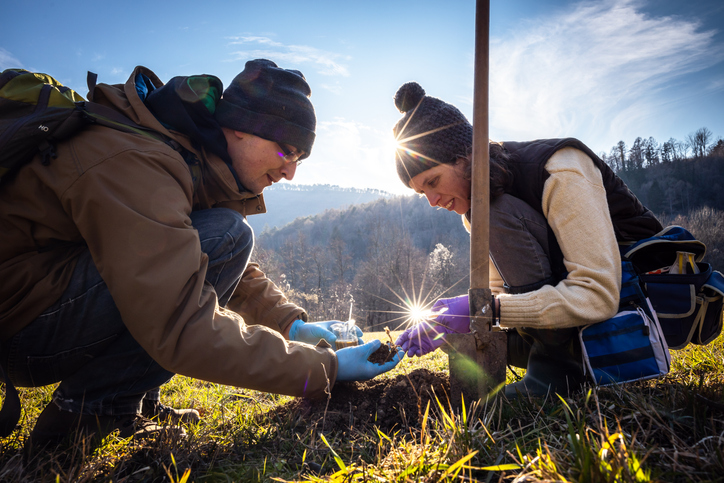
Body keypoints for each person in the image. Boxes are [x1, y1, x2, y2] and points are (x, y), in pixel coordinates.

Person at [0, 59, 402, 452]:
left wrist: (290, 325)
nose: (290, 172)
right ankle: (71, 433)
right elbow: (182, 322)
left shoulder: (189, 155)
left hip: (43, 306)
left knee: (226, 235)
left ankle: (134, 400)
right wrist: (325, 369)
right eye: (286, 151)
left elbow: (190, 255)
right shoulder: (138, 161)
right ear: (243, 129)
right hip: (20, 328)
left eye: (298, 159)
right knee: (228, 234)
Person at [390, 81, 663, 398]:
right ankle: (551, 363)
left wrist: (482, 310)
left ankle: (557, 377)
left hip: (637, 302)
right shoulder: (477, 210)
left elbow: (598, 296)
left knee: (494, 212)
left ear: (466, 155)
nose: (433, 201)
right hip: (573, 318)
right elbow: (500, 296)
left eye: (433, 182)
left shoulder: (559, 169)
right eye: (422, 192)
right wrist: (459, 324)